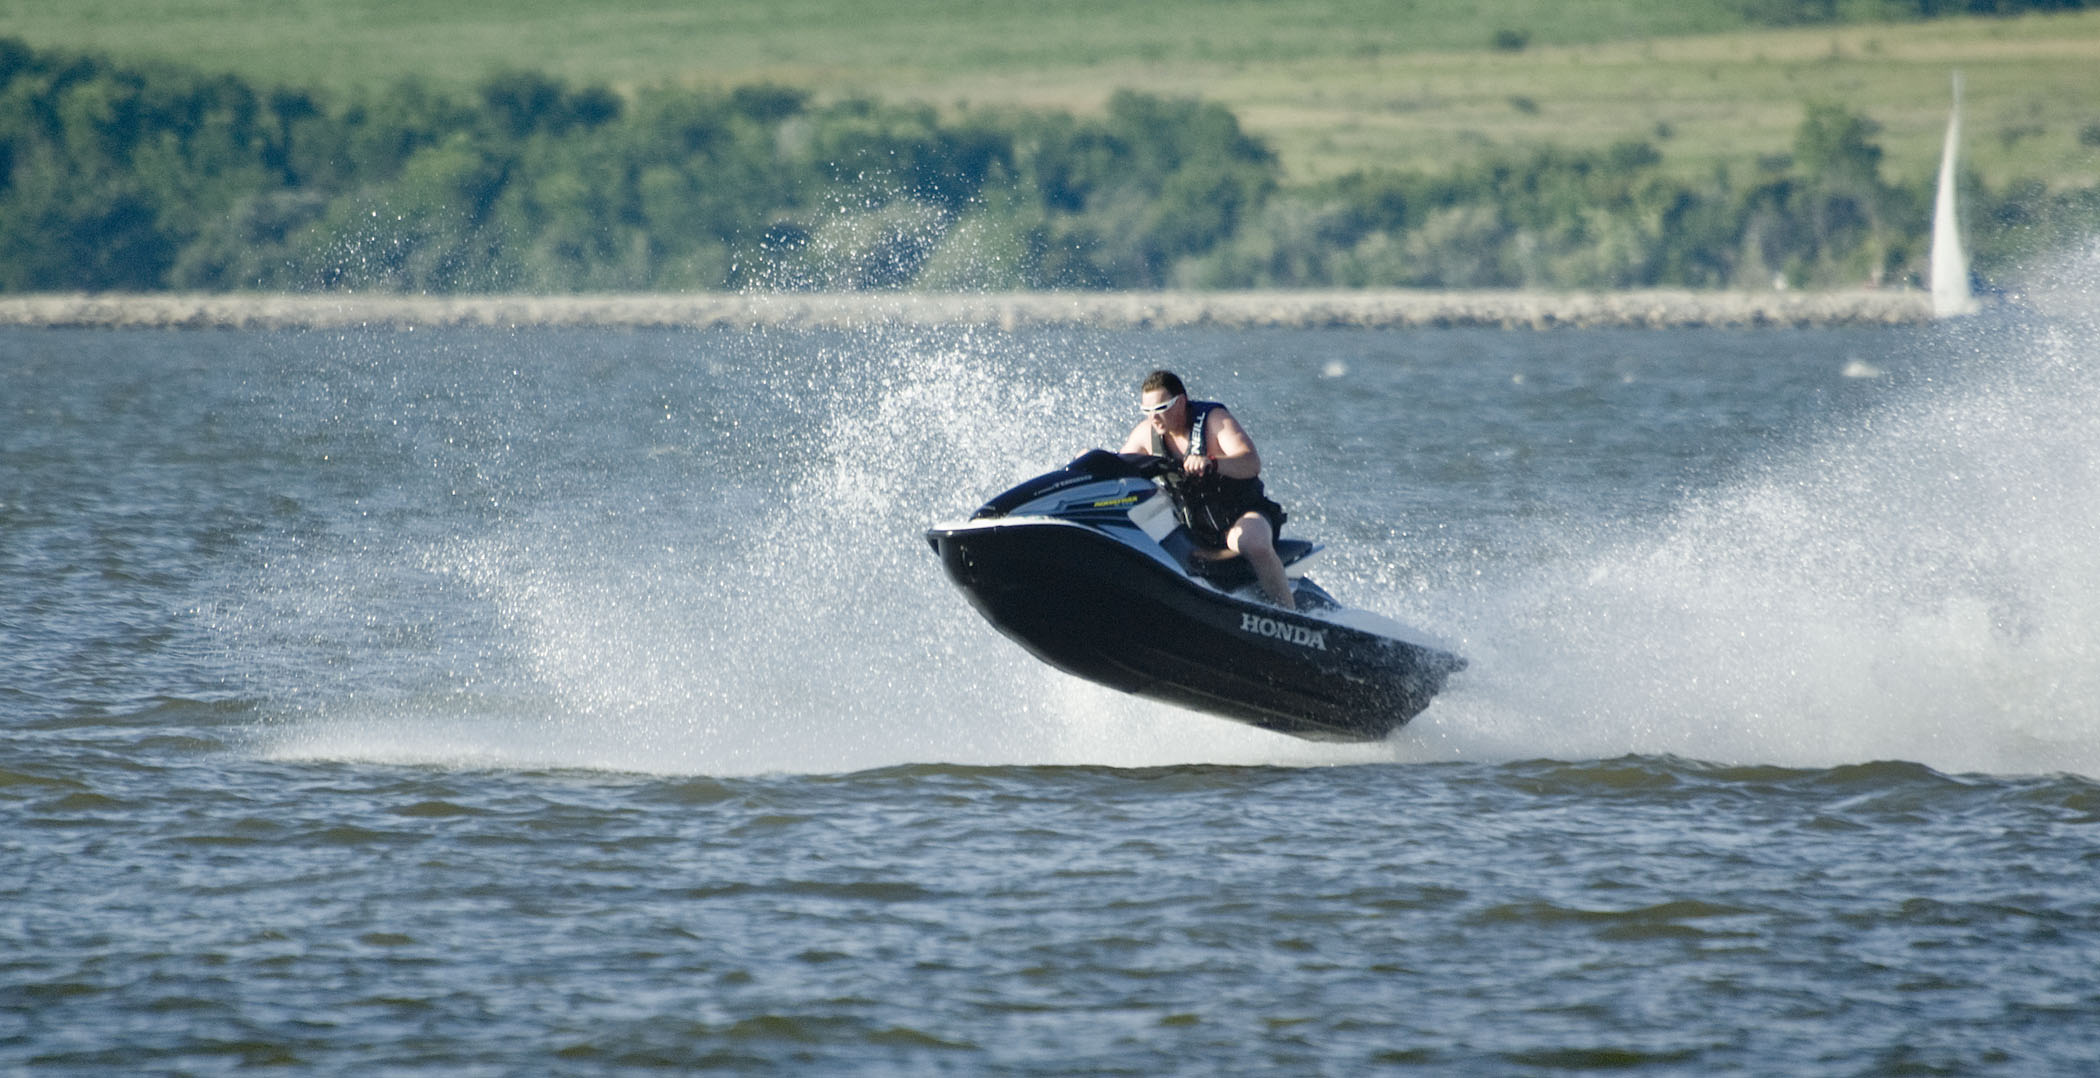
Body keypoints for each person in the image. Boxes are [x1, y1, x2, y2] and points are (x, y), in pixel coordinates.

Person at [1118, 370, 1295, 610]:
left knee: (1251, 541)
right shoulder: (1145, 434)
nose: (1153, 419)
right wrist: (1092, 462)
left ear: (1181, 402)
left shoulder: (1215, 421)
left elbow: (1251, 462)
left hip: (1242, 516)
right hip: (1192, 530)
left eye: (1160, 408)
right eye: (1147, 412)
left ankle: (1287, 616)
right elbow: (1120, 468)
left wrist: (1213, 463)